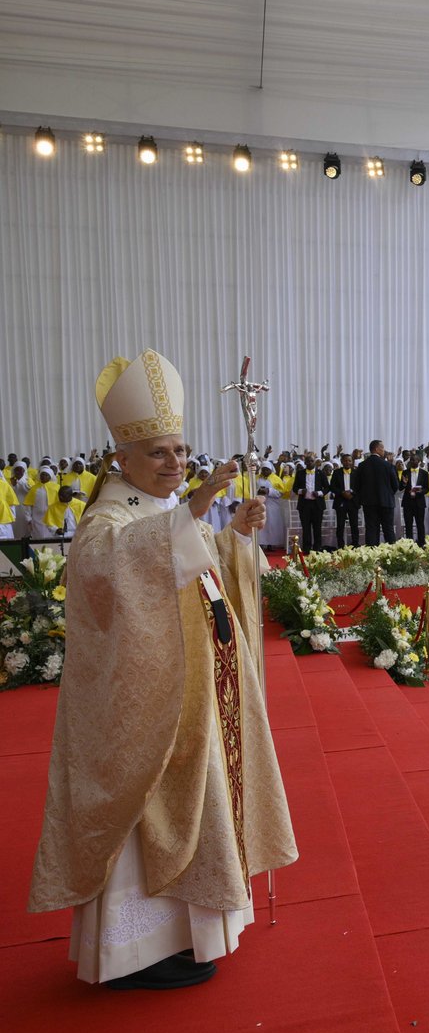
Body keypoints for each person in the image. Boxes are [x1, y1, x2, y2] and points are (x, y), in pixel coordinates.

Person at [29, 350, 297, 990]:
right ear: (120, 459)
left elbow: (204, 577)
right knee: (146, 816)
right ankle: (133, 952)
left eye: (180, 451)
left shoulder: (162, 512)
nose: (174, 463)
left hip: (198, 697)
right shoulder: (107, 522)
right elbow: (116, 573)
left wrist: (232, 536)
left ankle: (187, 937)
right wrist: (194, 510)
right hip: (146, 710)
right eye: (158, 453)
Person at [355, 439, 400, 545]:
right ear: (376, 449)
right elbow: (395, 485)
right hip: (386, 502)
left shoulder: (362, 465)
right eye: (382, 448)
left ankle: (371, 556)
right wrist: (387, 494)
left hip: (369, 503)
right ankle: (391, 556)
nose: (384, 451)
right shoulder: (388, 465)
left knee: (371, 530)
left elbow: (357, 486)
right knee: (388, 529)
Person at [292, 460, 328, 551]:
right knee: (306, 527)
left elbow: (327, 487)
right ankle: (307, 548)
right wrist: (301, 491)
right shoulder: (300, 473)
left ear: (315, 462)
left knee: (317, 527)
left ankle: (317, 547)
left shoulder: (321, 473)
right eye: (308, 461)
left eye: (312, 461)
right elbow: (295, 488)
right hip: (304, 504)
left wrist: (319, 493)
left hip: (317, 504)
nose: (310, 463)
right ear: (305, 463)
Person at [329, 452, 360, 547]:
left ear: (352, 462)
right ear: (342, 462)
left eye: (349, 460)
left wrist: (352, 494)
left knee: (354, 524)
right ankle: (341, 545)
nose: (347, 462)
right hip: (340, 501)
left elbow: (360, 486)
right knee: (340, 525)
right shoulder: (336, 472)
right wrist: (342, 492)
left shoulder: (356, 472)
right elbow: (332, 487)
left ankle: (355, 544)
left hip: (353, 501)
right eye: (345, 460)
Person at [398, 452, 429, 542]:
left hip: (419, 502)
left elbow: (427, 489)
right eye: (411, 460)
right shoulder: (405, 472)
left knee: (420, 524)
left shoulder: (424, 473)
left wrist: (420, 491)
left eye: (414, 459)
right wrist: (404, 483)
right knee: (408, 524)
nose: (412, 461)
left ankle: (421, 542)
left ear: (419, 461)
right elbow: (400, 488)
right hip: (408, 502)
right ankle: (409, 543)